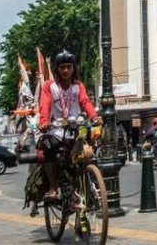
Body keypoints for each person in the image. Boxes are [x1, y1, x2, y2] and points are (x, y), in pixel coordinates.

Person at [38, 50, 100, 200]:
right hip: (56, 127)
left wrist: (94, 117)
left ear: (74, 68)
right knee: (48, 146)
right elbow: (44, 104)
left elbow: (85, 102)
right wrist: (44, 121)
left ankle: (90, 181)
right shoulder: (49, 86)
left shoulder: (78, 86)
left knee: (89, 148)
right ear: (57, 69)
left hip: (76, 125)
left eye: (69, 67)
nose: (66, 70)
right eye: (62, 67)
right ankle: (53, 186)